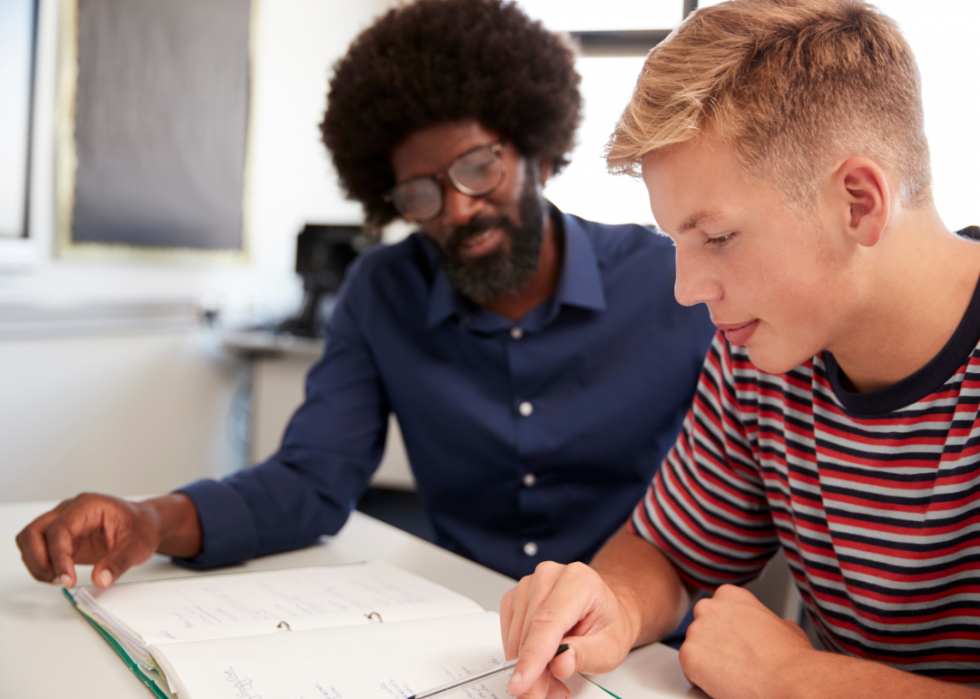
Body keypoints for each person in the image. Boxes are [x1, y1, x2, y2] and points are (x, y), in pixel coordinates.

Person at [16, 0, 714, 595]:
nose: (458, 208)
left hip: (641, 654)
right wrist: (149, 519)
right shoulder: (383, 291)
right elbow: (311, 480)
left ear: (539, 149)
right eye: (421, 191)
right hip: (470, 641)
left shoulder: (674, 285)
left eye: (479, 166)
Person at [501, 1, 980, 698]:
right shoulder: (766, 355)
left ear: (858, 203)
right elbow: (668, 549)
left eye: (718, 238)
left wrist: (800, 679)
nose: (688, 290)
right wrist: (616, 602)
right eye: (676, 242)